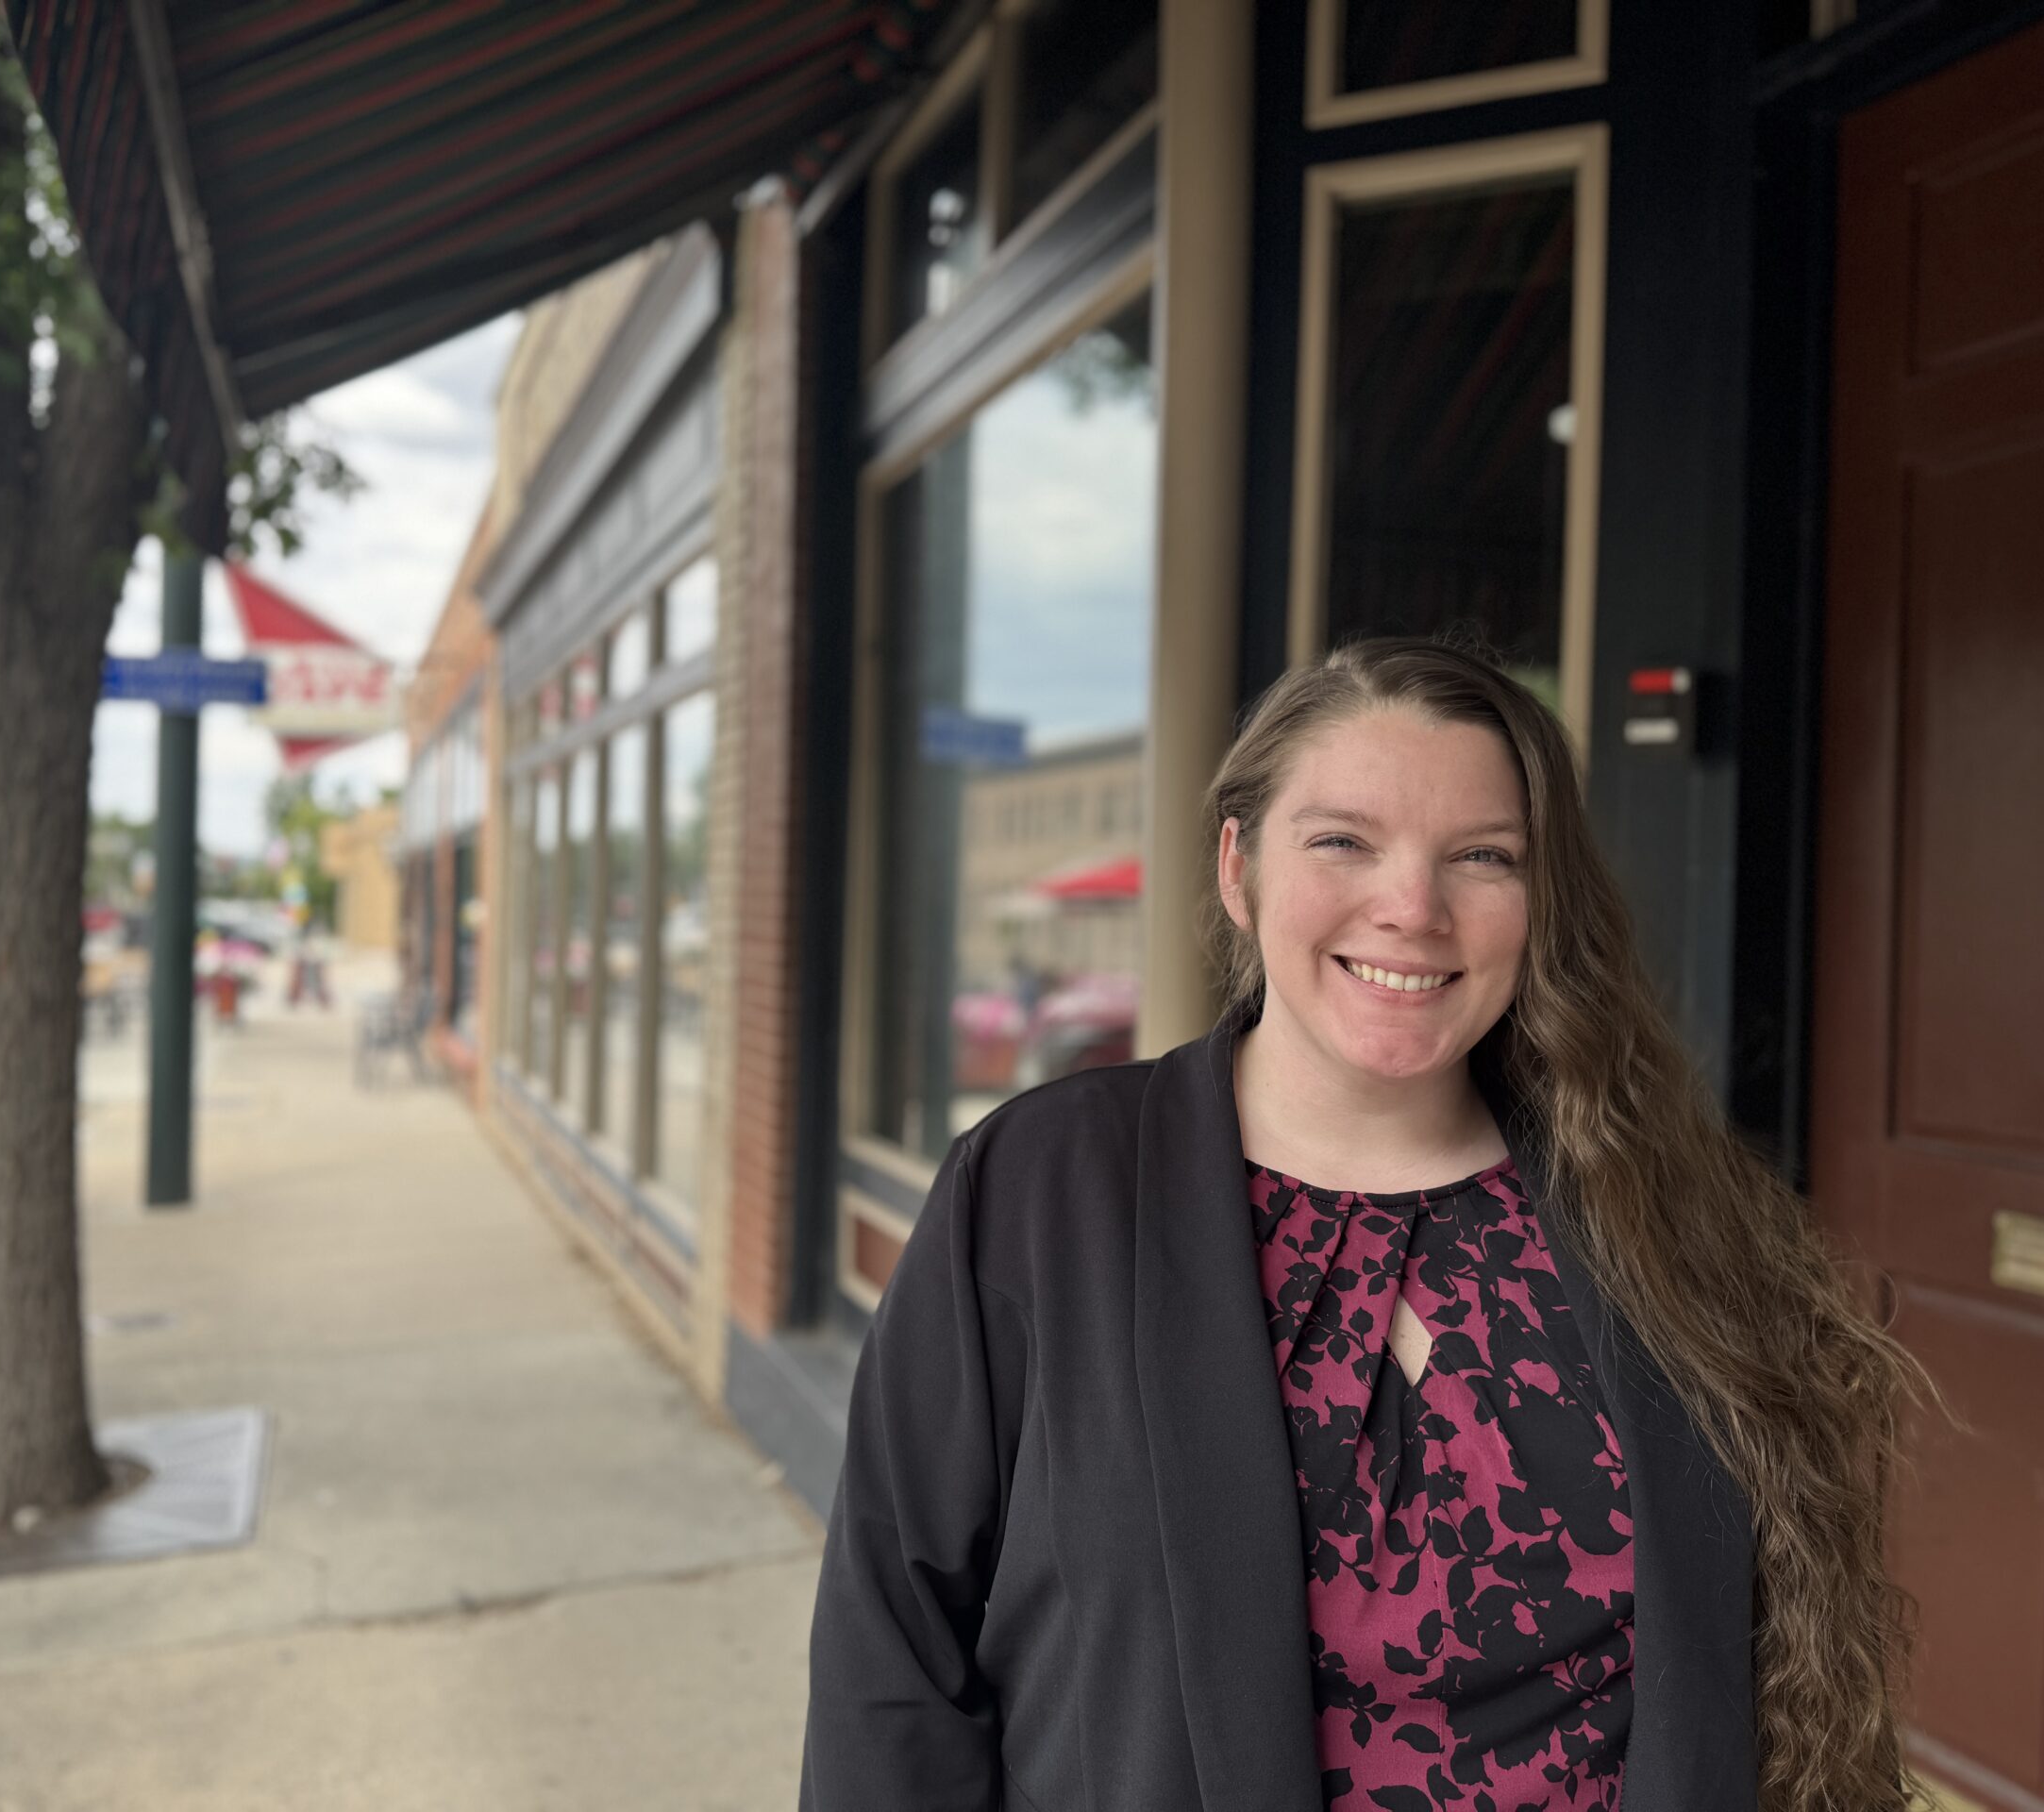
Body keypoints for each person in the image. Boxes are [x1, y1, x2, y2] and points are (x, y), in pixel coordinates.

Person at [800, 637, 1930, 1812]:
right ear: (1237, 867)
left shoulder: (1652, 1204)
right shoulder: (1041, 1188)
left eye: (1482, 857)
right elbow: (893, 1650)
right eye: (1342, 841)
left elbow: (1761, 1671)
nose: (1412, 910)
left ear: (1541, 902)